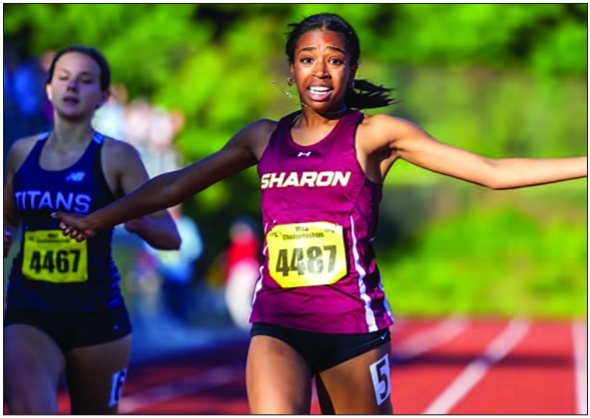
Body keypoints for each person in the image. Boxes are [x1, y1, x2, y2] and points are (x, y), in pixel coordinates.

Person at [52, 13, 587, 415]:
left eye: (334, 58)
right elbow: (175, 183)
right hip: (278, 322)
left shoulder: (375, 135)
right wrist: (102, 217)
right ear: (292, 69)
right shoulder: (263, 138)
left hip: (352, 325)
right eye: (308, 58)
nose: (321, 70)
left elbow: (491, 171)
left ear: (352, 69)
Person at [3, 45, 181, 415]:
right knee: (27, 407)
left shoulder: (118, 156)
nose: (72, 87)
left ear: (102, 96)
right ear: (48, 88)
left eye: (85, 81)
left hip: (97, 316)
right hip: (29, 310)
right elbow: (7, 221)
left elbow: (171, 236)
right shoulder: (21, 153)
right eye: (63, 78)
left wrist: (141, 224)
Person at [224, 217, 261, 330]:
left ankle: (246, 323)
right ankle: (245, 323)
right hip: (244, 273)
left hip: (245, 273)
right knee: (237, 299)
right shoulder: (237, 246)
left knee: (240, 299)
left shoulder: (248, 244)